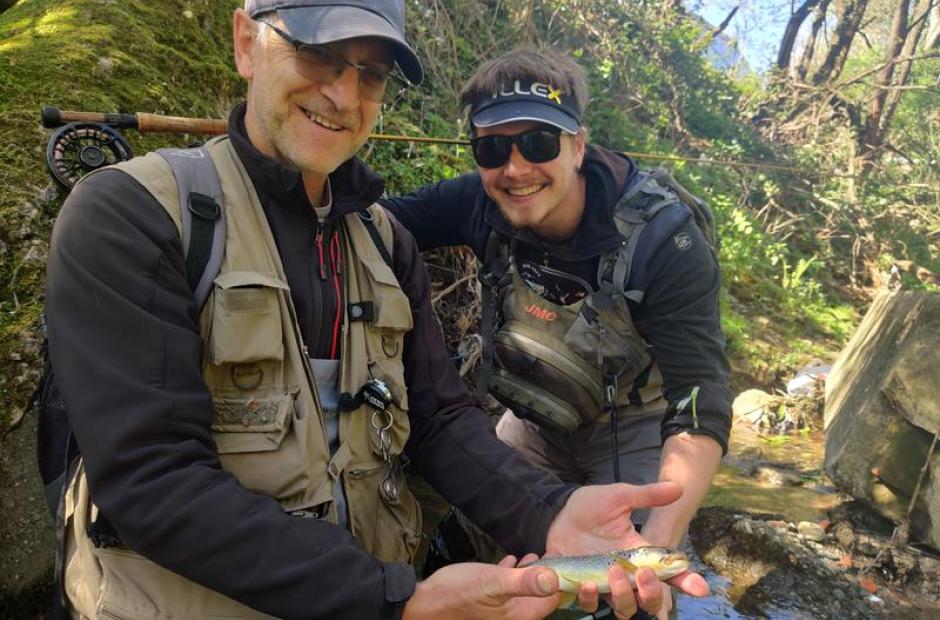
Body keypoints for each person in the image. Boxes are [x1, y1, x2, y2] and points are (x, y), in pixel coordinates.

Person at [44, 3, 707, 619]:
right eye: (316, 54)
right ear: (247, 43)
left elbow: (440, 418)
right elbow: (153, 479)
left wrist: (549, 513)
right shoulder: (133, 217)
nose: (343, 94)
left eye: (371, 73)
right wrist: (395, 598)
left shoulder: (385, 243)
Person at [382, 49, 731, 617]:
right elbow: (366, 223)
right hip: (536, 417)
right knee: (460, 560)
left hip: (636, 428)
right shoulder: (476, 199)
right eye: (493, 148)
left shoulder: (666, 240)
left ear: (578, 144)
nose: (516, 169)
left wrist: (656, 548)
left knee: (638, 598)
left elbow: (700, 406)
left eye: (540, 143)